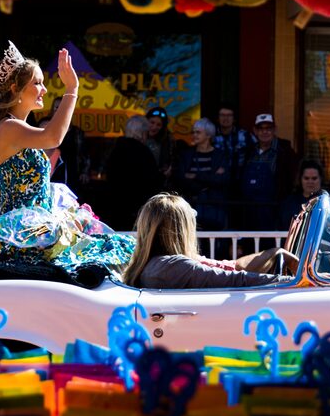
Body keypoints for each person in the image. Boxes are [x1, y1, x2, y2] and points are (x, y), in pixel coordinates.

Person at [0, 40, 134, 269]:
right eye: (38, 83)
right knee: (106, 255)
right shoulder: (8, 127)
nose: (45, 90)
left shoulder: (17, 128)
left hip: (36, 231)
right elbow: (53, 137)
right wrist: (71, 90)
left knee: (114, 248)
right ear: (15, 89)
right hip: (21, 236)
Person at [120, 193, 296, 288]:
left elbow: (232, 267)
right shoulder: (173, 267)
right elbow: (236, 280)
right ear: (180, 230)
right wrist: (294, 282)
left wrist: (276, 254)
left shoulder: (160, 264)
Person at [100, 115, 162, 230]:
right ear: (143, 133)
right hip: (137, 210)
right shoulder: (143, 152)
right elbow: (152, 182)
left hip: (114, 207)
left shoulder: (115, 149)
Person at [238, 113, 298, 230]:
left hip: (274, 209)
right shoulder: (248, 151)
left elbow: (291, 179)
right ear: (255, 131)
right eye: (261, 129)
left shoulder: (285, 150)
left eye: (268, 128)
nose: (265, 132)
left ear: (274, 130)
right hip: (249, 209)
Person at [175, 118, 229, 230]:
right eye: (193, 132)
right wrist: (210, 178)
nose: (194, 135)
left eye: (198, 132)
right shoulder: (187, 154)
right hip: (191, 205)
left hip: (214, 207)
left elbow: (222, 180)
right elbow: (181, 178)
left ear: (209, 135)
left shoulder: (220, 155)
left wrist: (195, 176)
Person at [280, 160, 326, 224]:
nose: (310, 182)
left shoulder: (329, 201)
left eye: (314, 178)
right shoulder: (290, 203)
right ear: (300, 179)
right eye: (306, 178)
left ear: (321, 179)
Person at [145, 106, 179, 184]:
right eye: (152, 122)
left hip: (159, 183)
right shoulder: (138, 138)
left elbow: (173, 162)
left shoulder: (169, 141)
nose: (154, 127)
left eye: (159, 125)